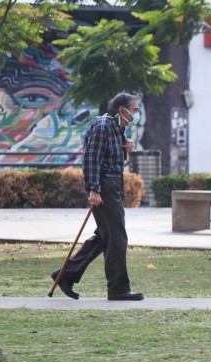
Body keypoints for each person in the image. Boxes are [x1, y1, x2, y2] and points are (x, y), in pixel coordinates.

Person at [50, 92, 144, 301]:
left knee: (104, 236)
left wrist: (125, 147)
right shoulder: (102, 126)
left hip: (112, 186)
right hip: (105, 186)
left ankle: (66, 275)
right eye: (135, 109)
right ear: (122, 109)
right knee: (117, 237)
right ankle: (118, 289)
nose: (137, 114)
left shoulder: (117, 128)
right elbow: (91, 159)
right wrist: (94, 189)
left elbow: (110, 156)